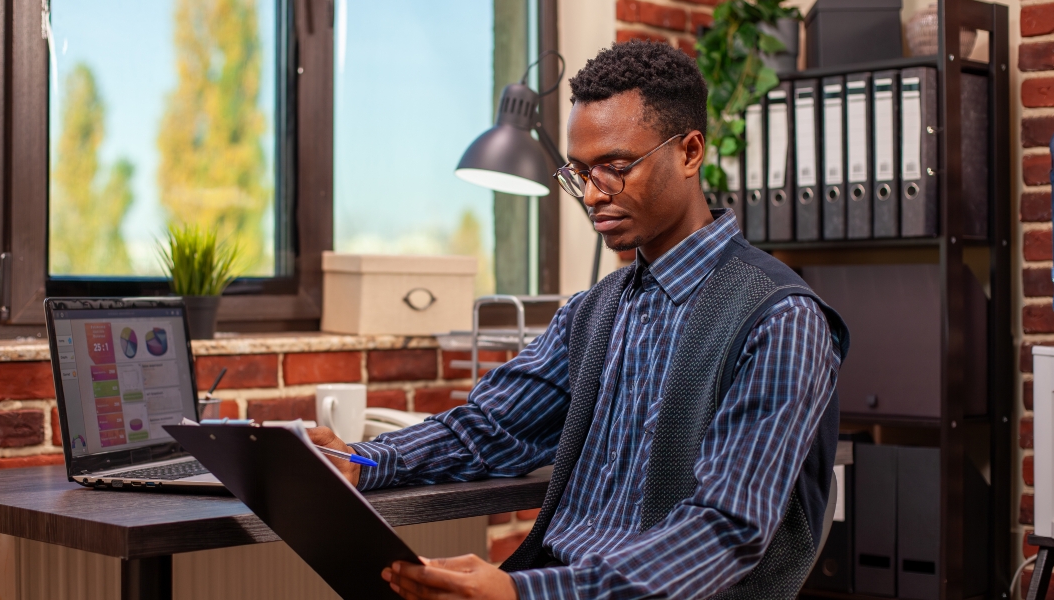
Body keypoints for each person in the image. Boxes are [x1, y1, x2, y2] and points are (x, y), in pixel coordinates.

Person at [308, 40, 849, 599]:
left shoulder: (780, 319)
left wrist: (525, 595)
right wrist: (360, 460)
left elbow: (724, 531)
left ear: (690, 153)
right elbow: (492, 429)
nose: (592, 195)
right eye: (579, 173)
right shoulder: (595, 311)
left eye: (615, 169)